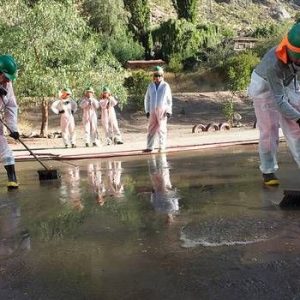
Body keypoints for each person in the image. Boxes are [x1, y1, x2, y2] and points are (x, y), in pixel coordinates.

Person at [248, 23, 300, 186]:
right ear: (293, 53)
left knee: (296, 130)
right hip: (264, 85)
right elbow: (279, 101)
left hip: (289, 80)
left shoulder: (296, 60)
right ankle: (268, 170)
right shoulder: (273, 63)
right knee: (269, 127)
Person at [0, 55, 19, 189]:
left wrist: (13, 128)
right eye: (5, 77)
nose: (7, 80)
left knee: (4, 147)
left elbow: (11, 106)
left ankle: (12, 179)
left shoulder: (8, 85)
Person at [144, 66, 172, 153]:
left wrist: (168, 111)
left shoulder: (165, 86)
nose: (157, 77)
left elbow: (169, 100)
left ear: (162, 76)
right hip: (152, 110)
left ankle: (162, 146)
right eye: (155, 75)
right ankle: (149, 147)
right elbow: (147, 98)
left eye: (159, 75)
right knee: (151, 128)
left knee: (162, 128)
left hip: (162, 110)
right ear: (153, 76)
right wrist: (147, 110)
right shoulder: (150, 86)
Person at [148, 153, 179, 224]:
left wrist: (153, 193)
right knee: (163, 171)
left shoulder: (159, 210)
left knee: (154, 172)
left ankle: (152, 157)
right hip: (166, 188)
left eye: (167, 220)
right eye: (169, 220)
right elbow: (175, 197)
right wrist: (171, 190)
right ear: (172, 219)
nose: (168, 218)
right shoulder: (174, 209)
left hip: (158, 188)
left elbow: (154, 201)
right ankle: (161, 155)